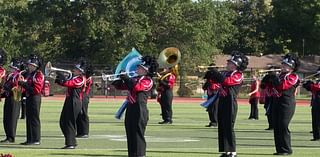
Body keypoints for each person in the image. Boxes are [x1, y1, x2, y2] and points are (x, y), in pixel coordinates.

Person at [112, 56, 158, 157]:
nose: (137, 69)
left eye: (139, 67)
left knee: (137, 134)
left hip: (140, 109)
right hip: (131, 108)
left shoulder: (148, 81)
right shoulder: (135, 79)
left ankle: (140, 154)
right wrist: (118, 78)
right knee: (130, 133)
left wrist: (127, 78)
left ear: (146, 70)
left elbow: (137, 87)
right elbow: (121, 86)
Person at [210, 51, 248, 157]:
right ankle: (225, 151)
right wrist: (212, 75)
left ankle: (233, 151)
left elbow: (227, 82)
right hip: (222, 100)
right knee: (222, 126)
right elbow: (217, 81)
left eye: (230, 63)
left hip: (230, 102)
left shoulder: (238, 75)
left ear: (236, 65)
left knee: (229, 127)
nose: (228, 64)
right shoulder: (225, 73)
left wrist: (217, 74)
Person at [264, 53, 300, 155]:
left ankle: (287, 149)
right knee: (277, 125)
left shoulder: (293, 76)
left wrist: (274, 79)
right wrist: (266, 81)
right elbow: (271, 88)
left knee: (283, 125)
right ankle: (279, 149)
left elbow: (282, 87)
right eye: (283, 64)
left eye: (286, 65)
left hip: (287, 104)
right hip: (276, 102)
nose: (283, 66)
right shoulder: (280, 76)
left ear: (291, 67)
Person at [55, 61, 86, 149]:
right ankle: (70, 140)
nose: (74, 70)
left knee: (69, 122)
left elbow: (71, 84)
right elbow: (66, 83)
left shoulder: (81, 79)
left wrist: (63, 79)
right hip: (69, 100)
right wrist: (60, 81)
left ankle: (71, 143)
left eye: (76, 69)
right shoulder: (73, 77)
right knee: (63, 121)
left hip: (75, 101)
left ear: (80, 71)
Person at [18, 54, 44, 145]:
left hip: (35, 98)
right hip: (30, 97)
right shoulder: (31, 74)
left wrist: (24, 84)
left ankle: (36, 139)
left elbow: (36, 89)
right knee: (29, 118)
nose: (28, 66)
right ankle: (30, 139)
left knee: (34, 118)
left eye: (30, 65)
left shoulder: (38, 74)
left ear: (34, 66)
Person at [1, 58, 24, 143]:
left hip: (14, 98)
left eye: (12, 67)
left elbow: (17, 88)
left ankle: (11, 137)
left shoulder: (18, 75)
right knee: (6, 118)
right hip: (8, 97)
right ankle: (8, 136)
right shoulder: (9, 76)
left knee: (12, 118)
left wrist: (7, 89)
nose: (10, 69)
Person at [76, 65, 94, 138]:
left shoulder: (87, 78)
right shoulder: (82, 77)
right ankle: (79, 131)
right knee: (78, 114)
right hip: (80, 95)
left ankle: (85, 132)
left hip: (84, 95)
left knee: (83, 113)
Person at [303, 67, 320, 141]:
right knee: (315, 120)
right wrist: (307, 85)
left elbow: (317, 87)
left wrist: (311, 85)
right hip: (316, 102)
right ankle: (316, 136)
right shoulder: (318, 81)